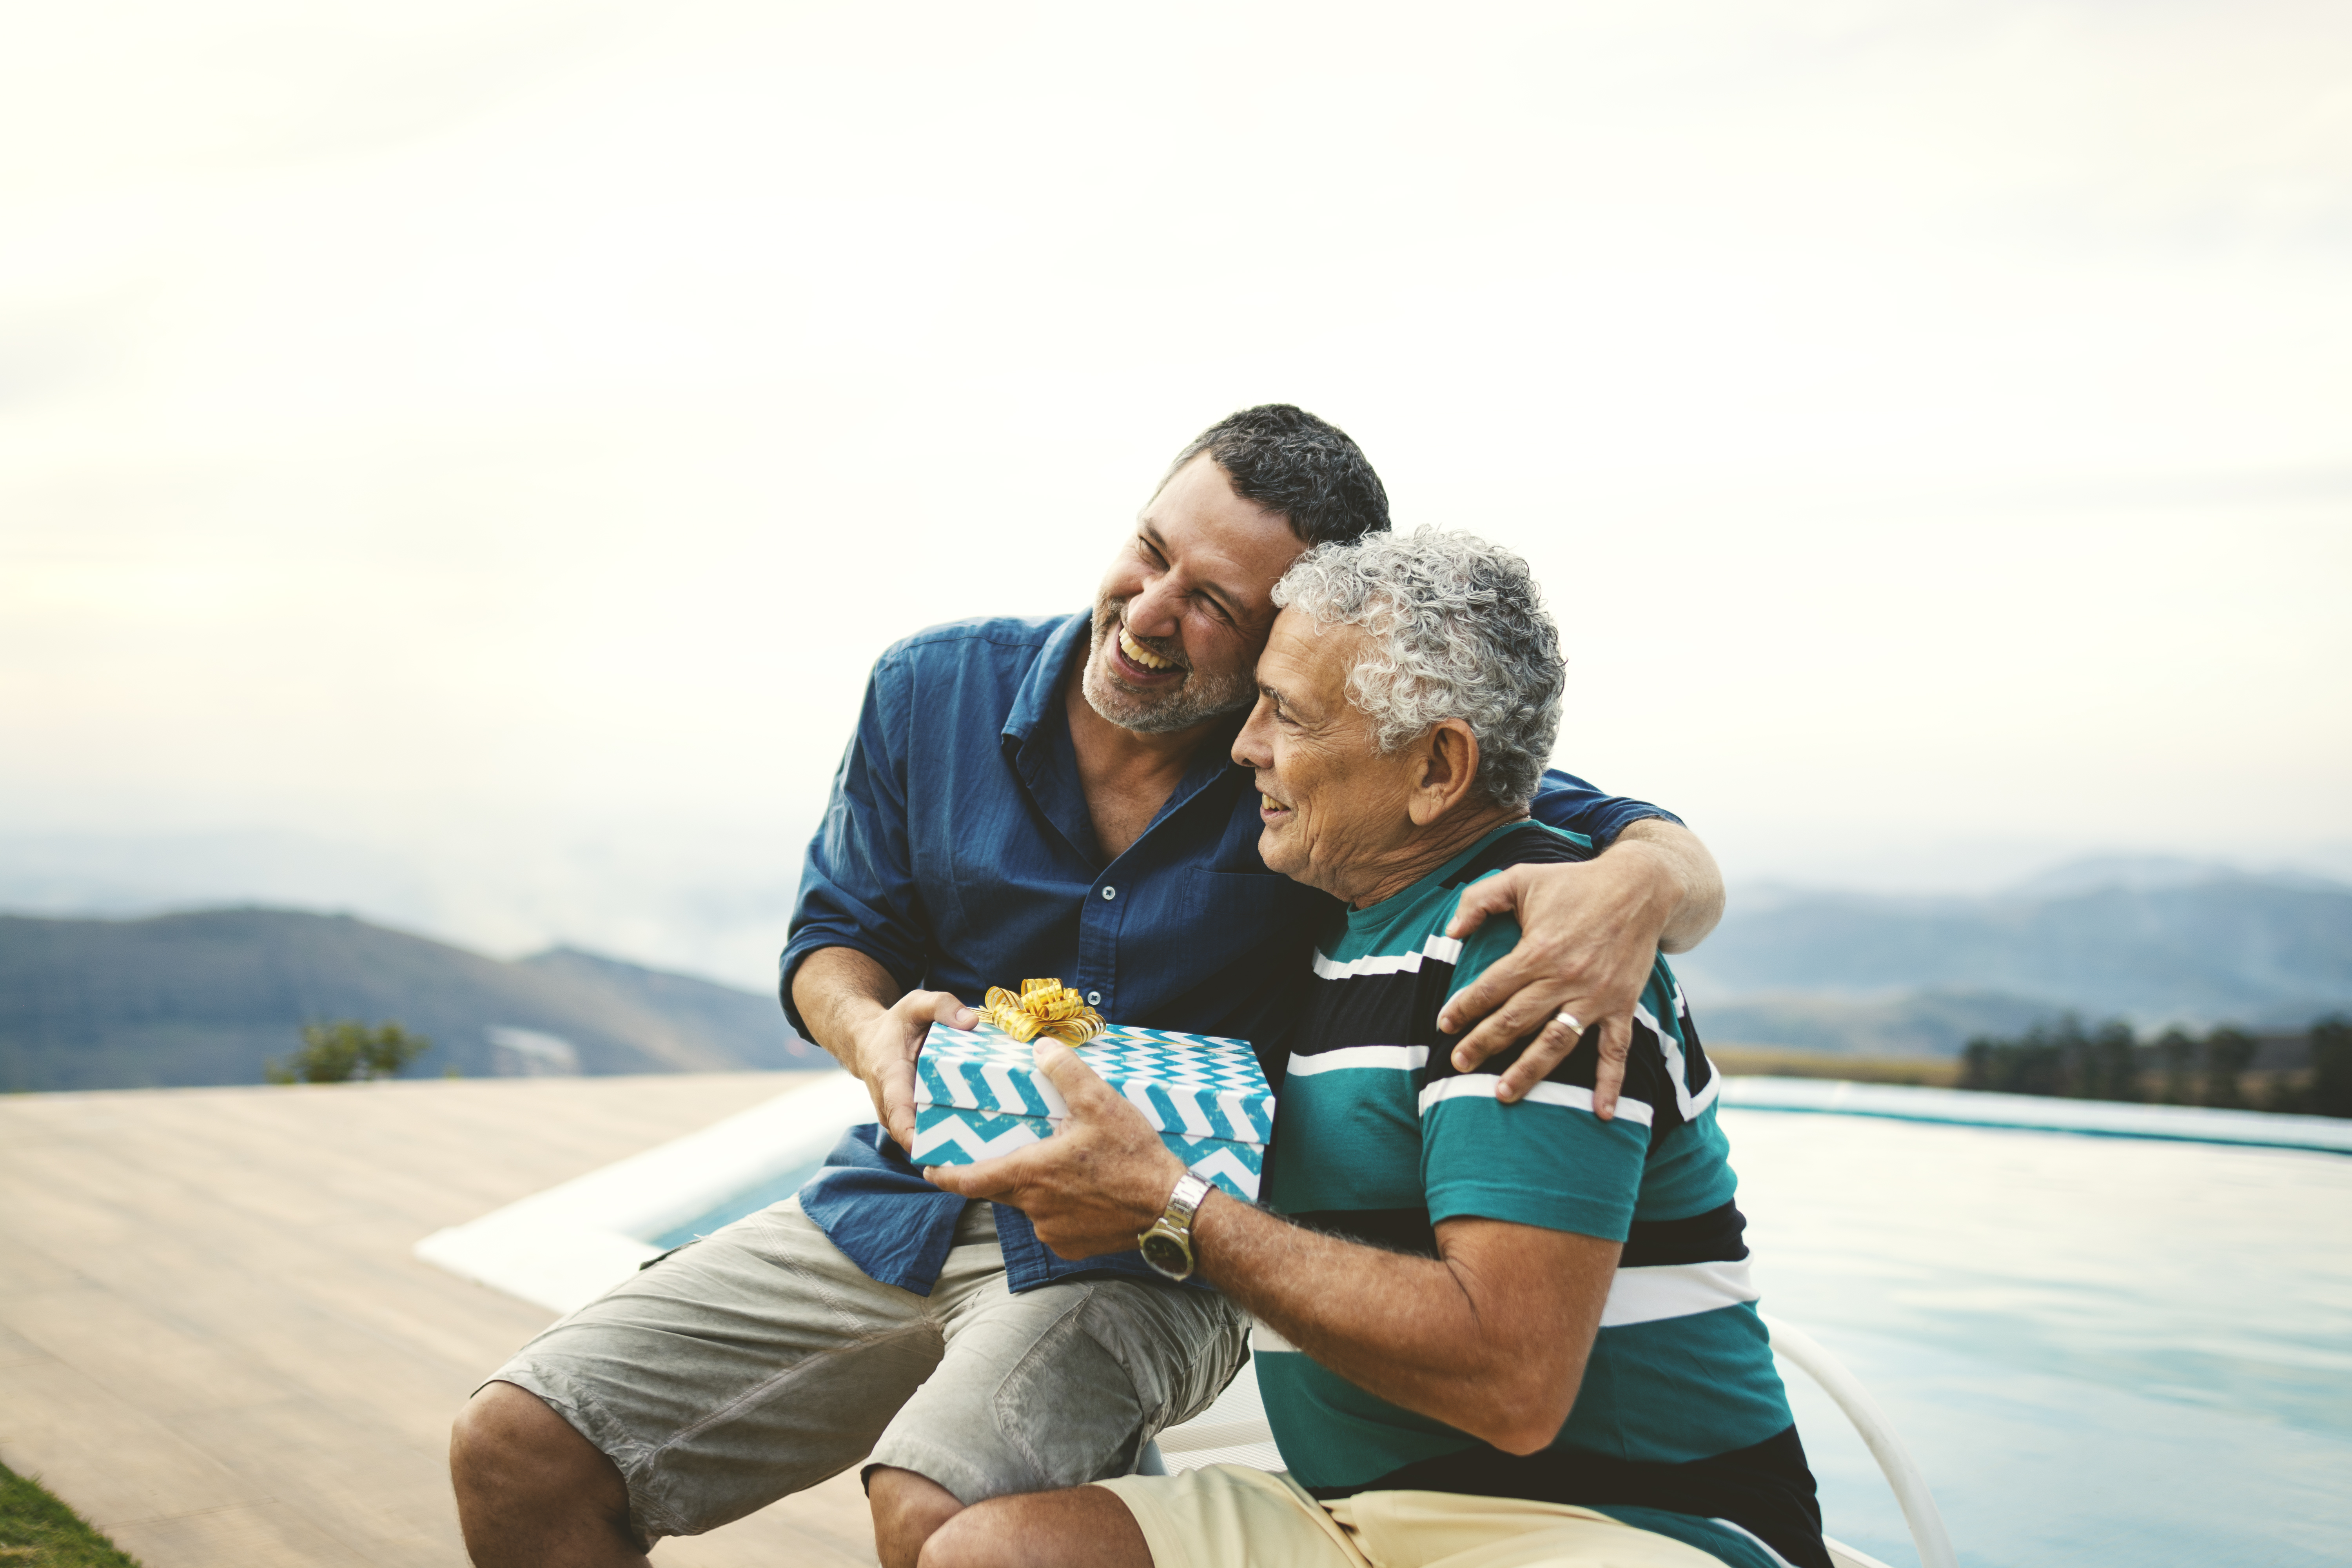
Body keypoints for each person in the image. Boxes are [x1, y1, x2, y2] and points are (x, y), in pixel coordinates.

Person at [448, 407, 1728, 1568]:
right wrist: (869, 1034)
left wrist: (1640, 888)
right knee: (515, 1445)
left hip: (1152, 1248)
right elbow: (835, 938)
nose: (1150, 610)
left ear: (1297, 634)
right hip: (907, 1189)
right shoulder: (928, 689)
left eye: (1217, 604)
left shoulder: (1322, 762)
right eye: (1149, 547)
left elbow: (1529, 806)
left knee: (943, 1508)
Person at [919, 530, 1824, 1568]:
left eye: (1289, 716)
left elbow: (1512, 1380)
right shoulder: (1322, 920)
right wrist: (989, 1038)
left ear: (1438, 769)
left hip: (1625, 1529)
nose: (1244, 744)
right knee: (986, 1555)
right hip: (1357, 1519)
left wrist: (1178, 1211)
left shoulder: (1526, 952)